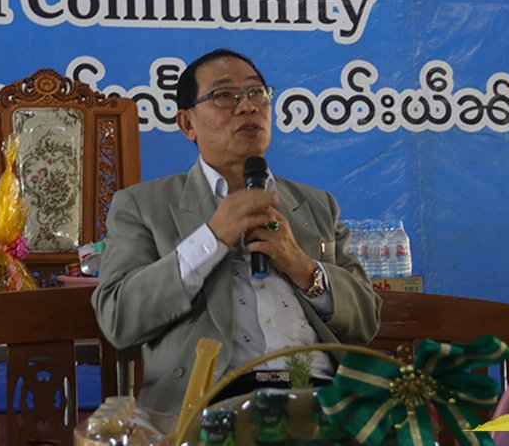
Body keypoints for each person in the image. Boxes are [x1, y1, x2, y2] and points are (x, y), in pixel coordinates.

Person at [91, 49, 381, 419]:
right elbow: (118, 318)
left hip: (320, 400)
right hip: (210, 407)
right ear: (187, 124)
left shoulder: (316, 205)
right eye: (224, 95)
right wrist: (211, 239)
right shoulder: (143, 205)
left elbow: (367, 319)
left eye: (257, 93)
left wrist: (301, 266)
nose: (248, 106)